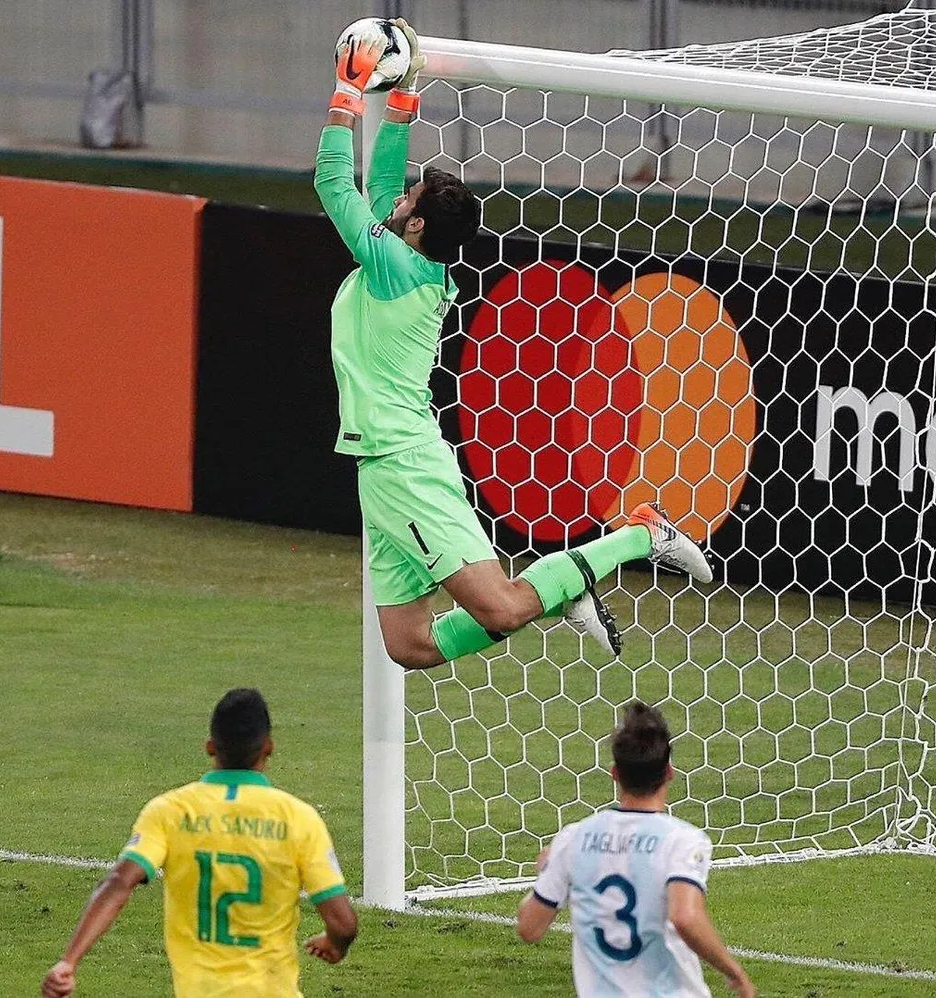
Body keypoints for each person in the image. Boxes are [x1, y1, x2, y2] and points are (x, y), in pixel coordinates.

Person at [315, 21, 712, 670]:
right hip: (382, 464)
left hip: (402, 463)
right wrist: (404, 94)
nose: (397, 197)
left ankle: (641, 534)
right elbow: (382, 182)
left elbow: (334, 184)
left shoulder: (395, 267)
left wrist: (348, 90)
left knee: (498, 608)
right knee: (410, 645)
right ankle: (558, 593)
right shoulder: (409, 257)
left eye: (409, 198)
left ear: (415, 225)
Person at [40, 688, 357, 998]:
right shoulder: (299, 819)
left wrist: (68, 962)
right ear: (269, 747)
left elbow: (119, 882)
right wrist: (334, 944)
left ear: (210, 747)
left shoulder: (170, 810)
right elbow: (343, 924)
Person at [517, 701, 755, 998]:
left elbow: (529, 928)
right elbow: (685, 916)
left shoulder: (573, 839)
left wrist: (549, 871)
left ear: (615, 773)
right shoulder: (682, 840)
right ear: (669, 772)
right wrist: (734, 971)